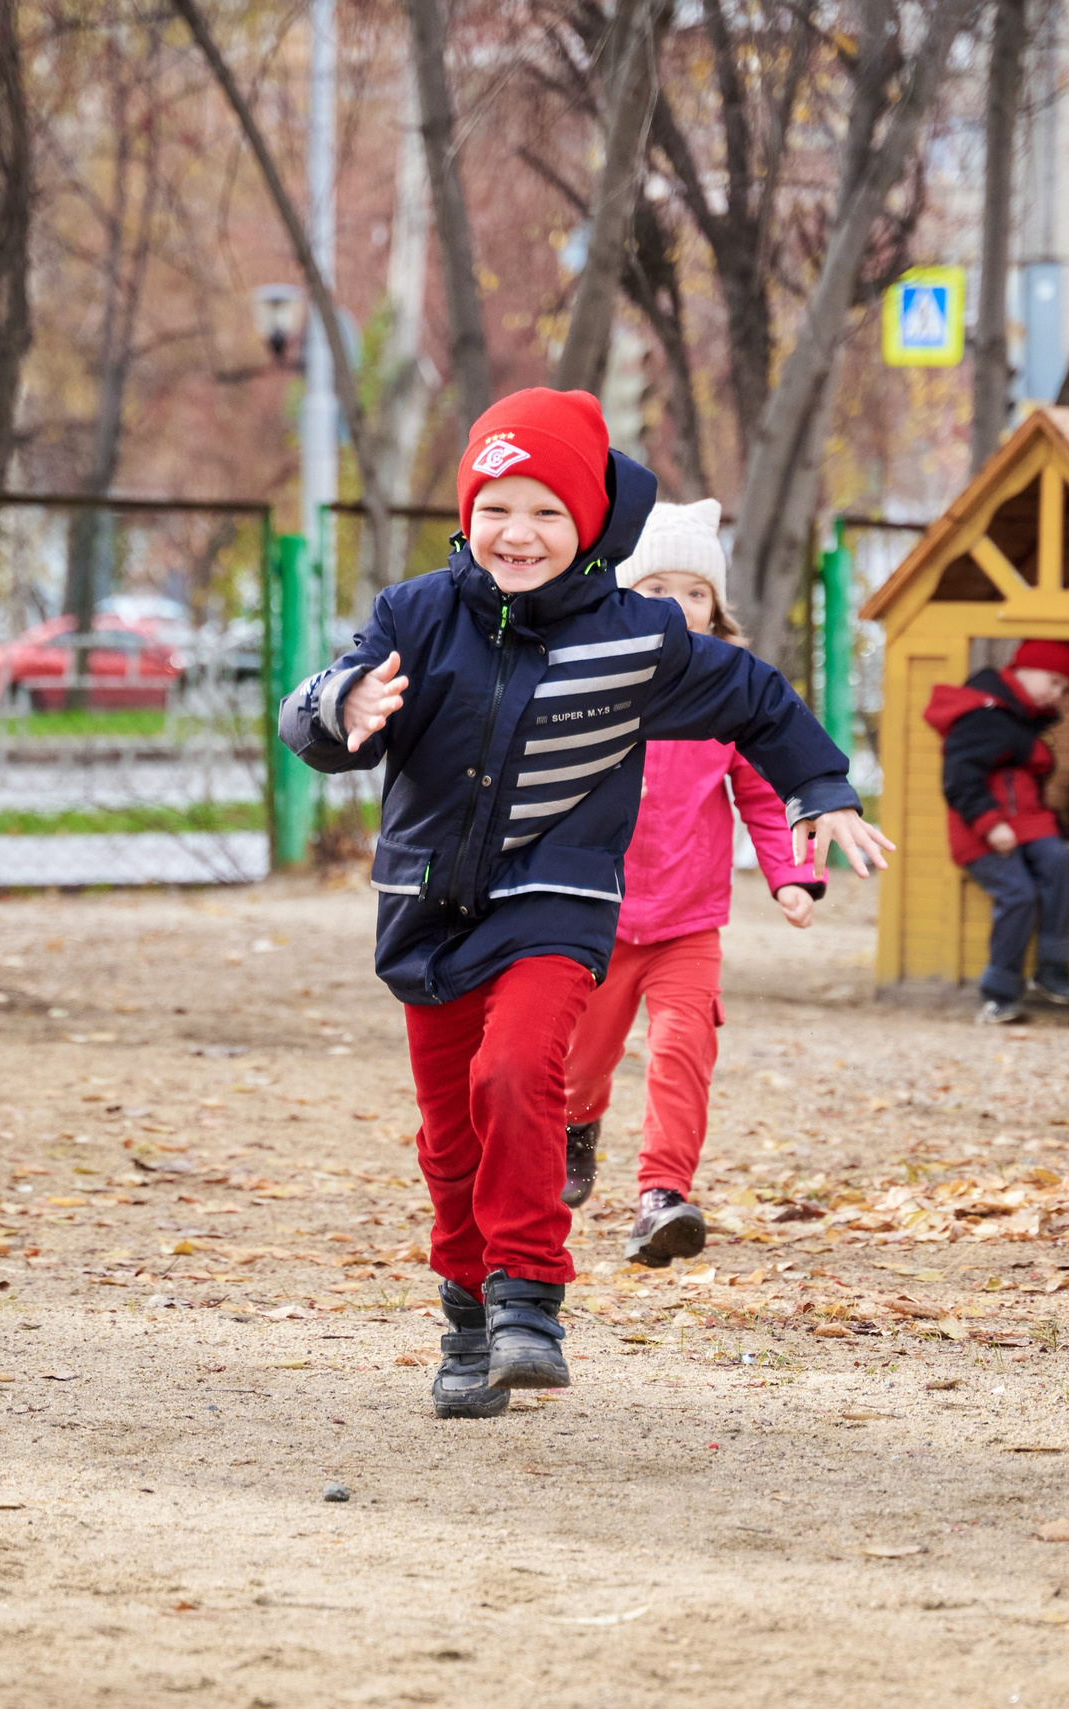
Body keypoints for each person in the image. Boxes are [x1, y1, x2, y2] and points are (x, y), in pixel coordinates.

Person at [279, 390, 892, 1419]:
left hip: (554, 897)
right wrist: (339, 707)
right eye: (498, 507)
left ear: (591, 525)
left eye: (547, 513)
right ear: (468, 510)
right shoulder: (414, 614)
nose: (519, 533)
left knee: (521, 1072)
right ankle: (468, 1318)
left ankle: (529, 1300)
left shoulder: (637, 636)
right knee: (449, 1136)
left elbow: (755, 696)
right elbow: (326, 700)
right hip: (427, 907)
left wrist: (818, 788)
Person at [558, 500, 825, 1269]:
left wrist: (794, 876)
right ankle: (577, 1128)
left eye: (695, 592)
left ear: (716, 615)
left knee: (683, 1047)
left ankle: (661, 1196)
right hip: (594, 915)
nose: (675, 605)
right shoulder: (587, 683)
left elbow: (770, 796)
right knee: (581, 1057)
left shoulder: (727, 699)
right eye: (654, 588)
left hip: (687, 921)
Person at [923, 638, 1069, 1025]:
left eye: (1065, 690)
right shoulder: (984, 715)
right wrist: (989, 825)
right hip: (983, 832)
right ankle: (998, 993)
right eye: (1054, 682)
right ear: (1025, 669)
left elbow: (1028, 791)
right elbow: (959, 779)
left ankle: (1052, 970)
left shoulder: (1025, 720)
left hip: (1029, 826)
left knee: (1058, 861)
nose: (1057, 695)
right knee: (1019, 894)